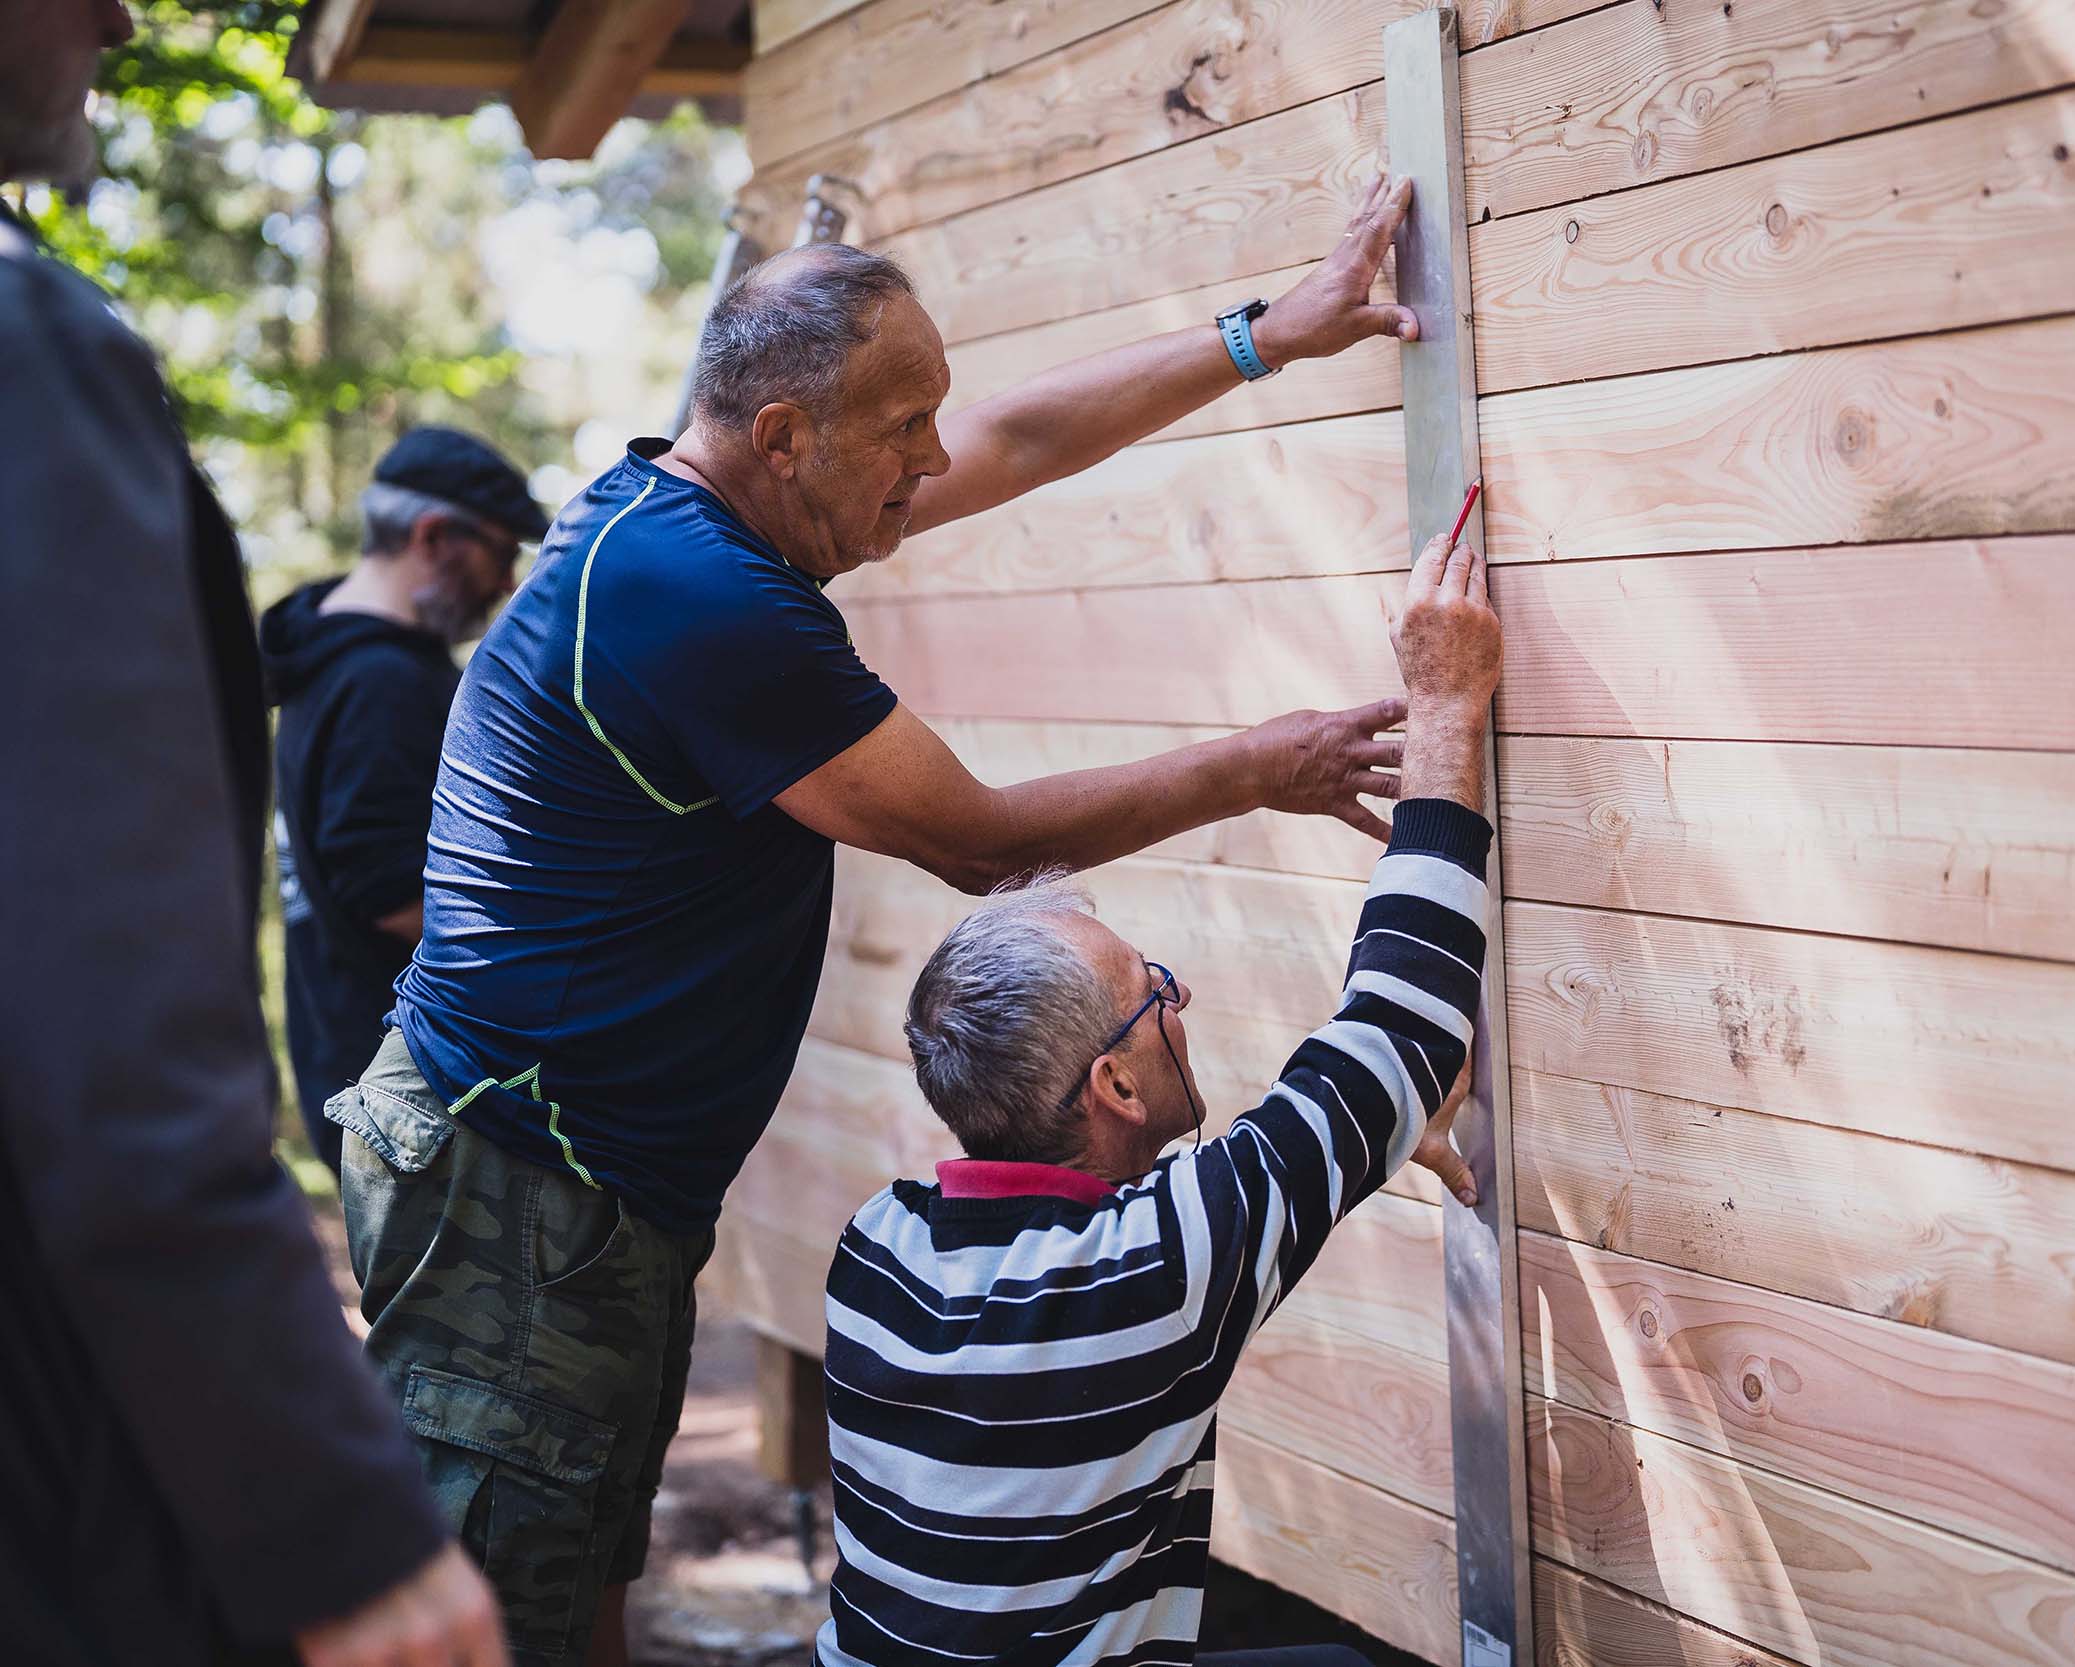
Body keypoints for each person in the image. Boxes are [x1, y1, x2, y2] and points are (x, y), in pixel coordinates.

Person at [334, 184, 1428, 1666]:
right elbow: (980, 841)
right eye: (905, 428)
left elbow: (1014, 437)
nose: (935, 458)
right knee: (504, 1604)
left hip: (577, 1175)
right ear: (786, 436)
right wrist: (1261, 765)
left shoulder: (690, 508)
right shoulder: (701, 600)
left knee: (580, 1572)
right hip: (520, 1178)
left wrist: (1263, 337)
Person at [0, 2, 505, 1663]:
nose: (115, 19)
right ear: (439, 542)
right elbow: (114, 1036)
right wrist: (336, 1527)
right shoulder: (25, 347)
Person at [815, 535, 1502, 1666]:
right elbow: (1405, 1019)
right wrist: (1443, 705)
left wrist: (1376, 1122)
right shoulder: (1155, 1266)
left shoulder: (878, 1252)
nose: (1181, 999)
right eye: (1154, 993)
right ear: (1115, 1084)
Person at [265, 428, 548, 1170]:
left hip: (360, 1072)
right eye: (500, 551)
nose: (506, 582)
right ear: (433, 535)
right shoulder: (380, 683)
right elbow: (390, 894)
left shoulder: (329, 661)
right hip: (409, 1103)